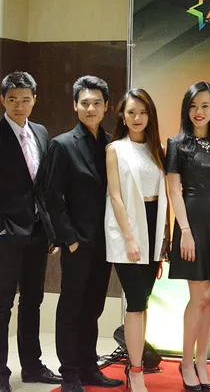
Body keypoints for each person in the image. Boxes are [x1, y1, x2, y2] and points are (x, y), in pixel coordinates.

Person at [42, 76, 124, 392]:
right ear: (75, 105)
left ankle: (90, 368)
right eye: (85, 103)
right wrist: (70, 239)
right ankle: (70, 374)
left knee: (94, 308)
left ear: (107, 107)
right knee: (71, 309)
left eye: (97, 103)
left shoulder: (112, 144)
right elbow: (51, 197)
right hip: (78, 243)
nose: (91, 109)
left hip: (106, 242)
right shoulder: (62, 145)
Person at [166, 82, 210, 392]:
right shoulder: (176, 144)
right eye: (193, 106)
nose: (199, 112)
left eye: (205, 105)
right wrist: (185, 231)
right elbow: (173, 191)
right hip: (191, 221)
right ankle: (185, 362)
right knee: (198, 297)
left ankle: (202, 361)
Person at [0, 71, 61, 392]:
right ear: (2, 100)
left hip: (37, 233)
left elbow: (44, 187)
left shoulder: (40, 132)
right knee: (2, 305)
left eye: (25, 100)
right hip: (6, 234)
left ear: (34, 100)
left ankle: (33, 366)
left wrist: (50, 230)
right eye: (12, 100)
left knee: (32, 301)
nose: (19, 106)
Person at [105, 88, 169, 392]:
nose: (137, 118)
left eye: (143, 112)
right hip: (129, 228)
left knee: (143, 302)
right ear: (122, 116)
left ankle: (137, 364)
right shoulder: (115, 149)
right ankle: (136, 371)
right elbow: (115, 196)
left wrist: (164, 236)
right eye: (131, 112)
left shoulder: (158, 149)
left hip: (153, 227)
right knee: (134, 302)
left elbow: (165, 195)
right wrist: (130, 239)